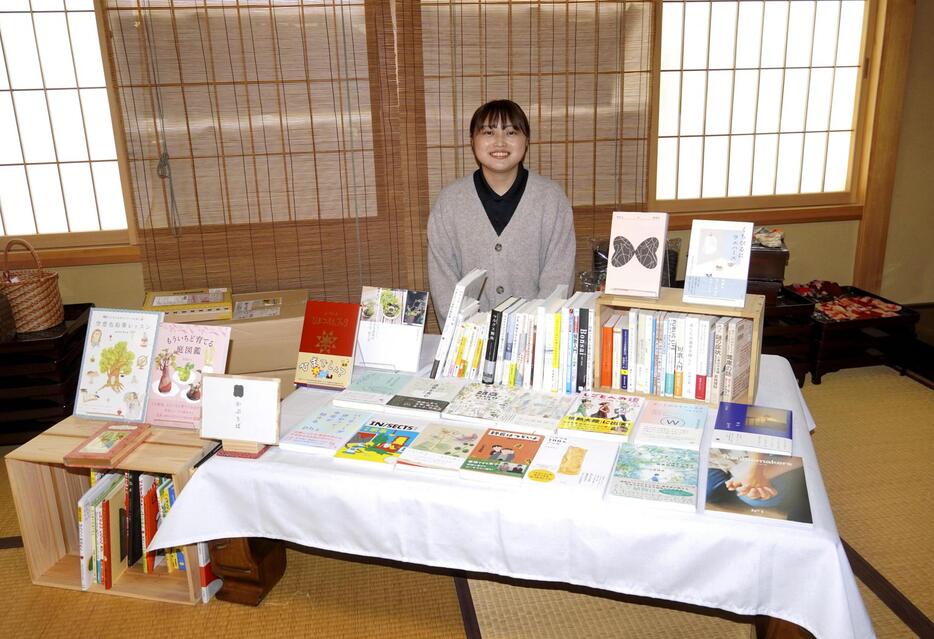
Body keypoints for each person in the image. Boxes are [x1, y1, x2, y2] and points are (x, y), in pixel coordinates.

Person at [427, 100, 576, 326]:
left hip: (533, 340)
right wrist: (470, 336)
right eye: (488, 132)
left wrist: (528, 335)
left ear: (526, 141)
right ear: (473, 141)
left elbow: (558, 280)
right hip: (468, 343)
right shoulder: (449, 203)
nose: (499, 142)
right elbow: (443, 284)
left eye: (511, 132)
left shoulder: (552, 200)